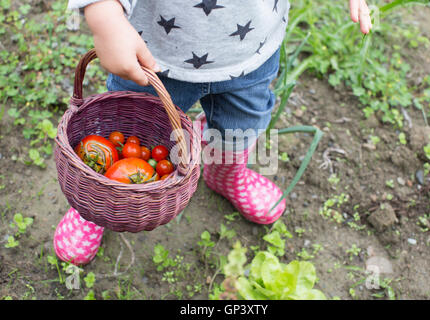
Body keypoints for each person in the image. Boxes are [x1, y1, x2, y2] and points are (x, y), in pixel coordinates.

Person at [54, 0, 372, 265]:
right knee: (128, 130)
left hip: (252, 51)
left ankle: (226, 173)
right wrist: (104, 15)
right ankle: (98, 200)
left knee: (241, 126)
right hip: (153, 57)